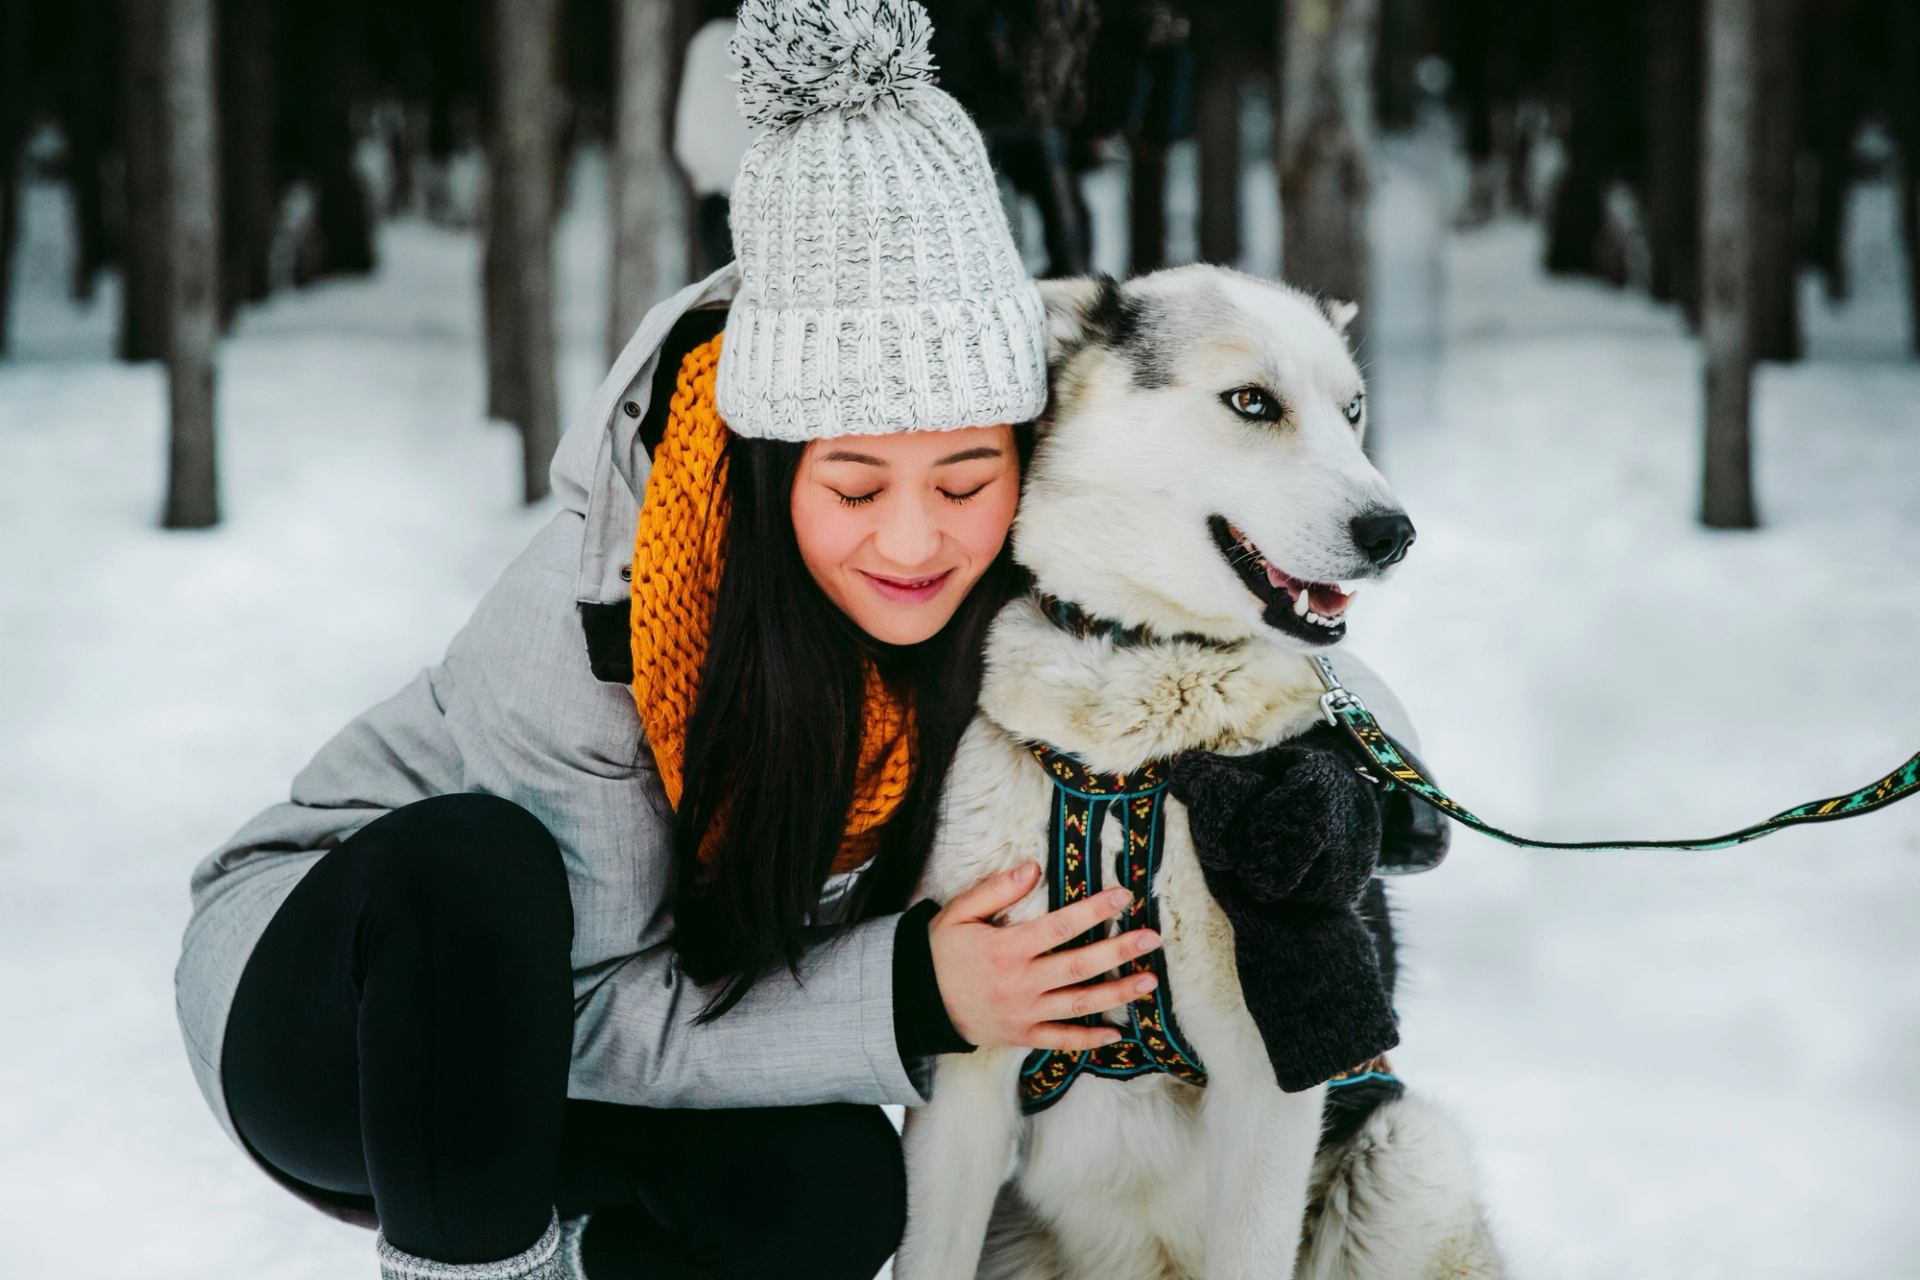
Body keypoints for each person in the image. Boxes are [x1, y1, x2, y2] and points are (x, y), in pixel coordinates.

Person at [172, 2, 1430, 1278]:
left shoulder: (993, 546)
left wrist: (1358, 755)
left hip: (637, 1055)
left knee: (827, 1191)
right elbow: (581, 1005)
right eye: (854, 484)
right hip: (353, 1020)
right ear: (777, 467)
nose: (913, 542)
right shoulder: (592, 621)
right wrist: (913, 994)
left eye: (961, 479)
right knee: (475, 863)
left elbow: (1174, 607)